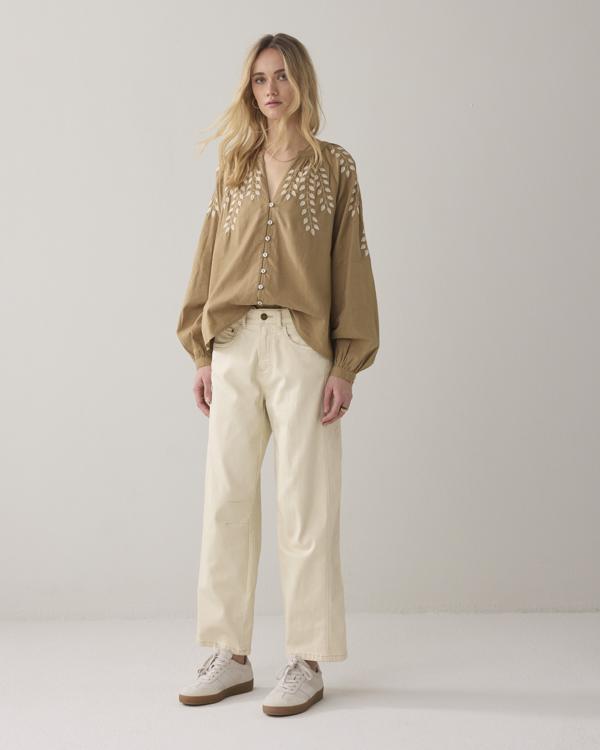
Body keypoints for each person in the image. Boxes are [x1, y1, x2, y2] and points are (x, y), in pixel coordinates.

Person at [175, 33, 379, 717]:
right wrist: (202, 351)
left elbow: (351, 262)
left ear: (302, 84)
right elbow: (208, 256)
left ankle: (306, 660)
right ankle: (229, 654)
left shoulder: (334, 165)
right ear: (249, 88)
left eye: (283, 76)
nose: (271, 89)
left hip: (301, 346)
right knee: (226, 501)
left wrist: (345, 363)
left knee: (305, 504)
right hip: (235, 344)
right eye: (261, 78)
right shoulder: (234, 164)